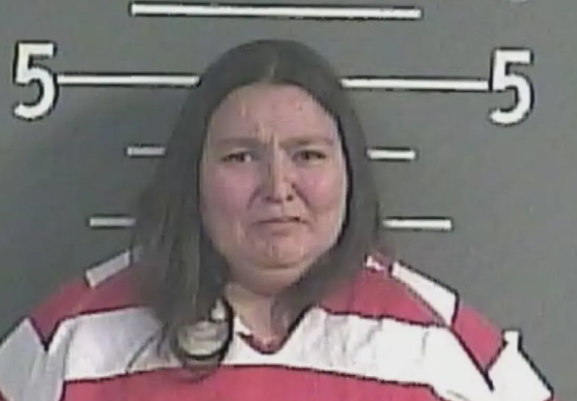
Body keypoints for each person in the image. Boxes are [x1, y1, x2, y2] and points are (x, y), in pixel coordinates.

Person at [0, 39, 556, 401]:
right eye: (240, 157)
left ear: (348, 172)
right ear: (193, 175)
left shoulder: (436, 341)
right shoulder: (79, 333)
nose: (278, 187)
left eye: (307, 155)